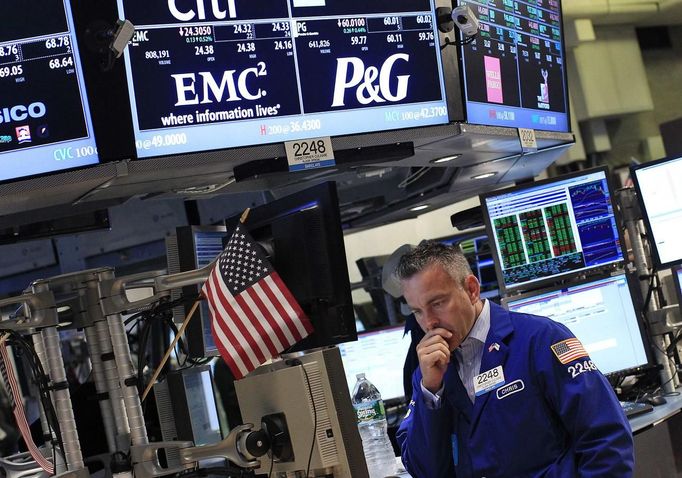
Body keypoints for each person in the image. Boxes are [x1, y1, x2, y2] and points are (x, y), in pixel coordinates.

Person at [395, 241, 634, 477]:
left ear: (471, 290)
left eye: (437, 303)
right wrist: (431, 392)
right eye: (417, 311)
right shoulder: (430, 374)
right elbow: (425, 471)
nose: (429, 322)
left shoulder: (541, 339)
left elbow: (607, 439)